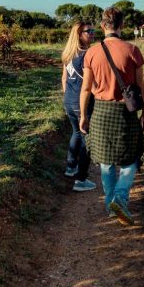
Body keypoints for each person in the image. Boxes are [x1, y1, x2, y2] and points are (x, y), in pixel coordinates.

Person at [80, 7, 144, 226]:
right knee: (130, 160)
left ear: (102, 26)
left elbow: (85, 89)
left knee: (106, 163)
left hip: (100, 111)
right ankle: (120, 197)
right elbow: (141, 87)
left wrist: (83, 115)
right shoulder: (132, 50)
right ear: (122, 25)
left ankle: (112, 204)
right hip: (126, 112)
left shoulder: (91, 52)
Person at [61, 20, 97, 192]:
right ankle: (81, 179)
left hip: (68, 100)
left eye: (92, 30)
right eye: (88, 31)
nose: (92, 33)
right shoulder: (87, 54)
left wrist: (69, 95)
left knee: (76, 132)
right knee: (86, 139)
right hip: (81, 101)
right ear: (78, 35)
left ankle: (70, 167)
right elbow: (91, 84)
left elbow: (64, 79)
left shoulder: (68, 54)